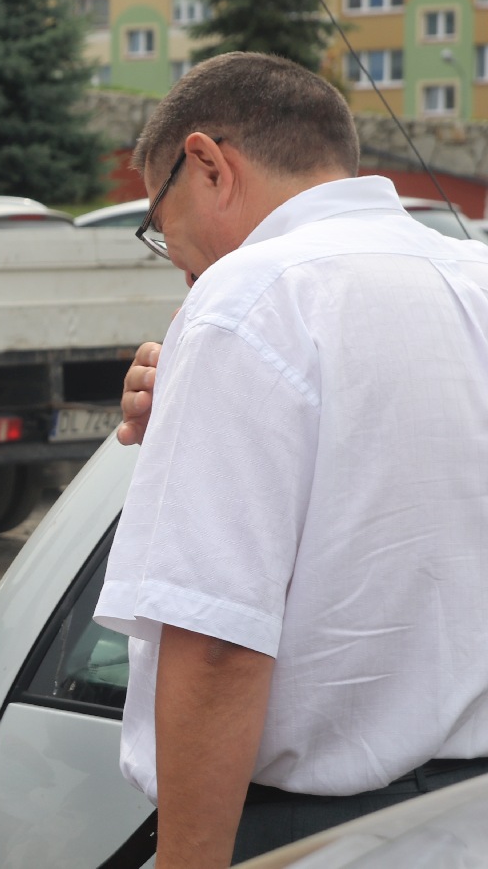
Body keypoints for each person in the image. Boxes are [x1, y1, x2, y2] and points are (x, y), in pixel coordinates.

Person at [93, 52, 488, 868]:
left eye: (158, 219)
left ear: (207, 163)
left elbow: (215, 639)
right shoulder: (475, 279)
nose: (172, 252)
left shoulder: (246, 301)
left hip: (308, 834)